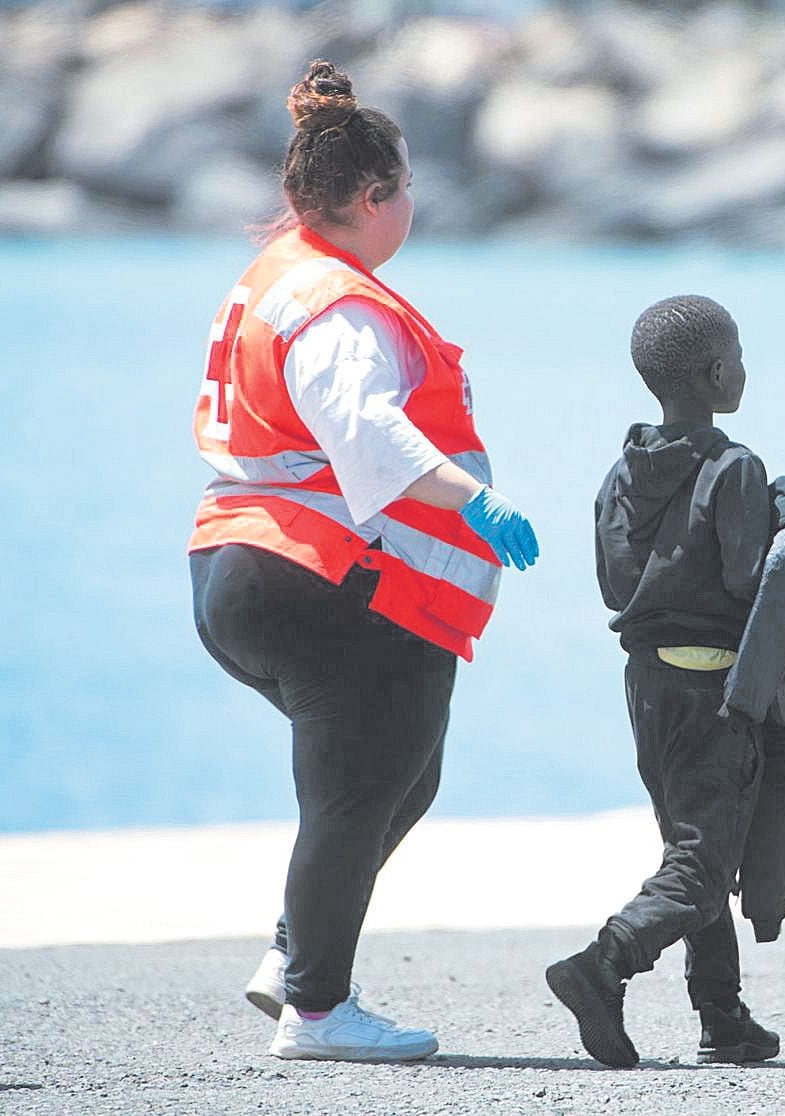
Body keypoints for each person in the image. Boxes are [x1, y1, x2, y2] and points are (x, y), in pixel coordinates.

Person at [187, 60, 538, 1063]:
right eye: (409, 187)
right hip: (314, 574)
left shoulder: (280, 272)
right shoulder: (339, 306)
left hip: (237, 569)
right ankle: (318, 1008)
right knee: (357, 786)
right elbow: (368, 437)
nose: (413, 205)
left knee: (398, 776)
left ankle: (299, 957)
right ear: (375, 197)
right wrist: (480, 501)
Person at [546, 295, 785, 1068]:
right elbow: (746, 576)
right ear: (719, 371)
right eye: (739, 354)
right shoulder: (737, 468)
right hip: (719, 691)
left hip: (648, 687)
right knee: (701, 863)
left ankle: (721, 1015)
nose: (744, 367)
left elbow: (611, 582)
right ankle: (604, 966)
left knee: (697, 843)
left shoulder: (621, 471)